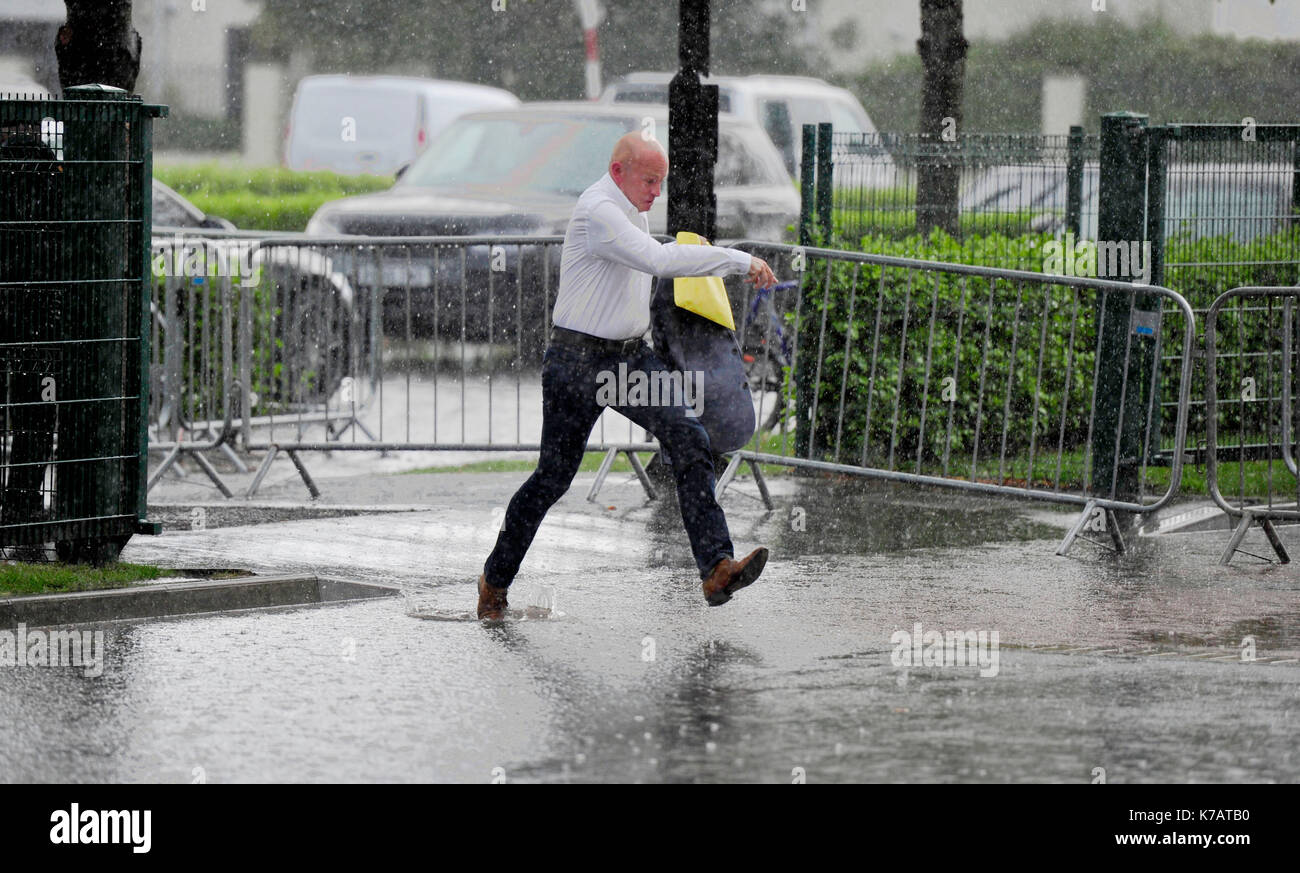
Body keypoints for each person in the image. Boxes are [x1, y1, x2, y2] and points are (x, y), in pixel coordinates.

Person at [477, 132, 778, 620]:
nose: (657, 192)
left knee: (689, 436)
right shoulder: (598, 210)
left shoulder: (629, 213)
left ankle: (717, 567)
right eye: (649, 180)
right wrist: (738, 261)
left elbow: (648, 258)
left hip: (628, 361)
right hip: (576, 363)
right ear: (619, 171)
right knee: (553, 478)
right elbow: (657, 261)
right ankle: (494, 580)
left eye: (662, 182)